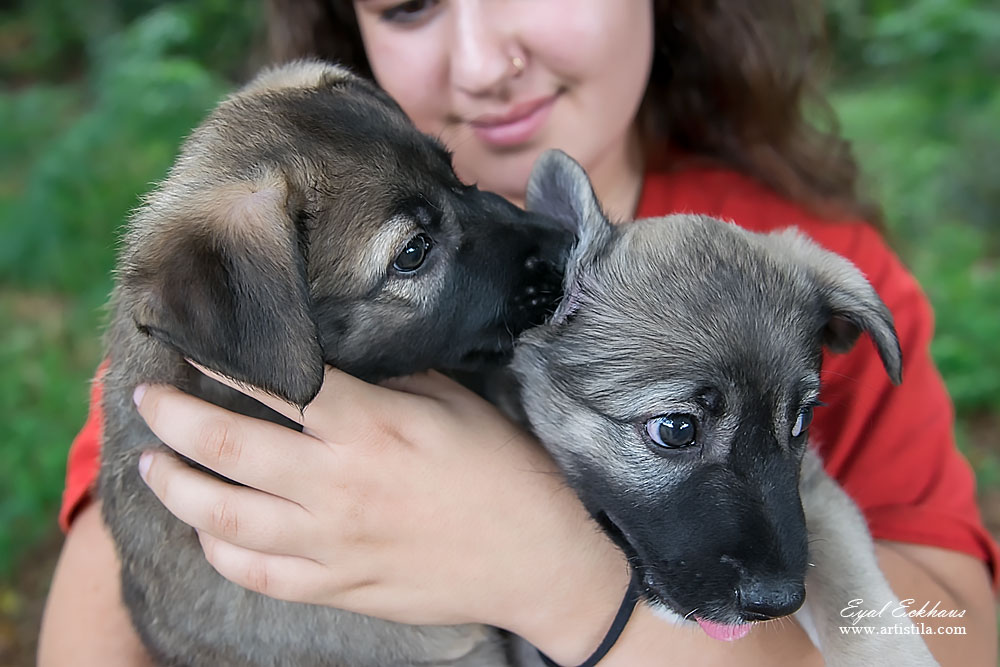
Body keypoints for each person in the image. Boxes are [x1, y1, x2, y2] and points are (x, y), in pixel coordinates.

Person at [39, 1, 998, 665]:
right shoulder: (258, 325)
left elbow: (957, 638)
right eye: (411, 4)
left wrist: (558, 571)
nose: (483, 63)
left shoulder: (813, 284)